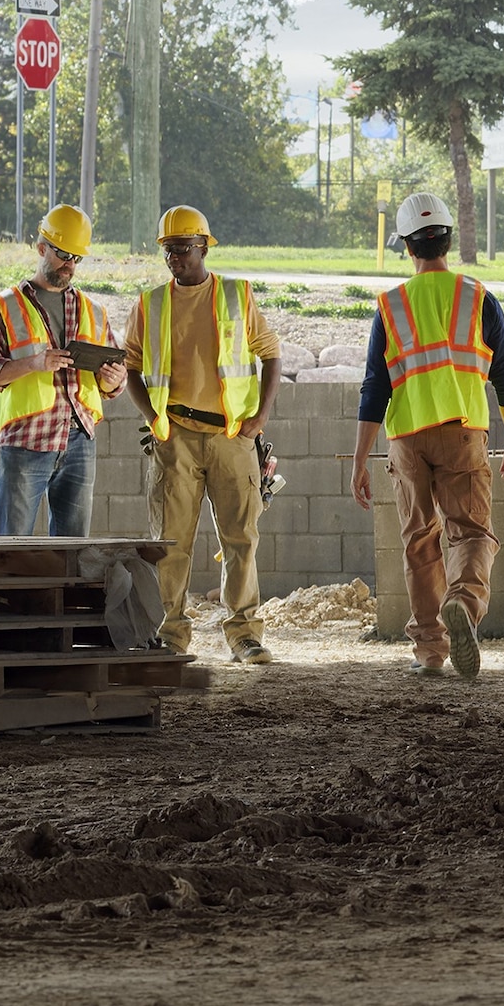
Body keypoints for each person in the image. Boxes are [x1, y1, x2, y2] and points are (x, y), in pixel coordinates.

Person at [351, 192, 504, 682]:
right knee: (471, 533)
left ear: (408, 247)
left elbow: (374, 389)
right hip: (462, 431)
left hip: (406, 440)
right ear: (448, 240)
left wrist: (359, 460)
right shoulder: (478, 298)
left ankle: (430, 650)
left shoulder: (391, 307)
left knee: (418, 542)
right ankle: (464, 607)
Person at [127, 203, 284, 664]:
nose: (176, 258)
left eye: (183, 249)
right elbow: (131, 367)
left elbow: (271, 354)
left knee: (241, 538)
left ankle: (244, 634)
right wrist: (153, 417)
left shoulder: (238, 296)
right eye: (168, 251)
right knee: (170, 540)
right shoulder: (151, 304)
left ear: (204, 248)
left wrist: (261, 417)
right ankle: (170, 633)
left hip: (231, 436)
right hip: (173, 435)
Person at [0, 205, 125, 536]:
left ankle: (64, 593)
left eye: (76, 258)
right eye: (63, 254)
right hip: (26, 439)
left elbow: (113, 379)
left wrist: (113, 381)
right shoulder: (6, 305)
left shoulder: (94, 310)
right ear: (41, 247)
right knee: (10, 546)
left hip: (79, 439)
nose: (70, 265)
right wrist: (34, 363)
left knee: (73, 554)